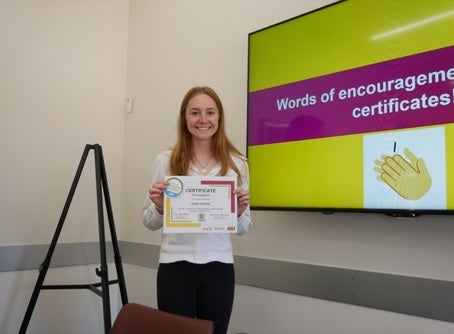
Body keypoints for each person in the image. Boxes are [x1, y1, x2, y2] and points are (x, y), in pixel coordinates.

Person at [142, 86, 252, 334]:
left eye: (210, 112)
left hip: (219, 268)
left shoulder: (238, 164)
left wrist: (237, 212)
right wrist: (159, 207)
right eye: (195, 113)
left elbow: (244, 227)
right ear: (184, 118)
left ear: (219, 117)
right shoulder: (165, 161)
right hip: (175, 266)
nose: (203, 120)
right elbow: (148, 221)